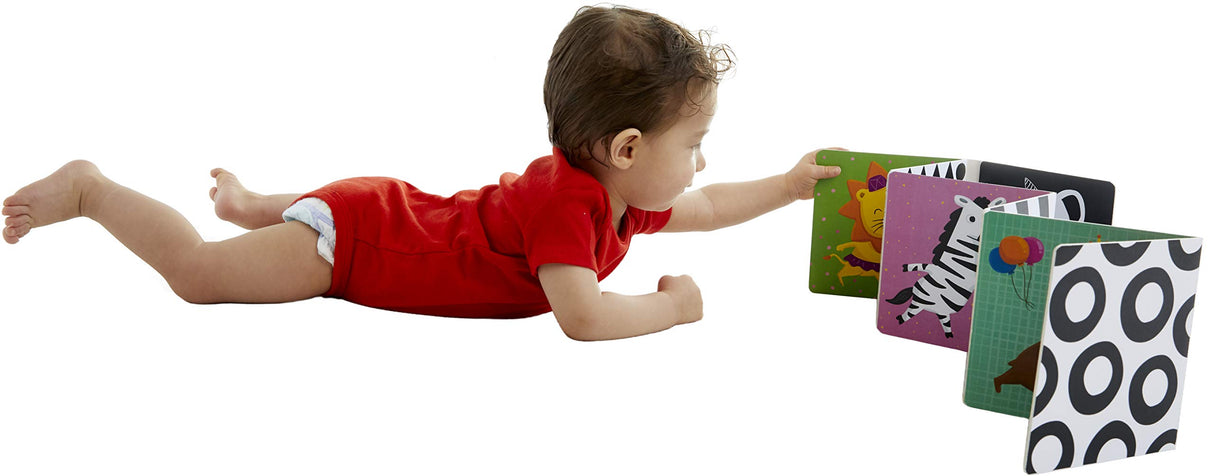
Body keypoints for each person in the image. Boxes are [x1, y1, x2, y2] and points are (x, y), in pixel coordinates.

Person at [1, 5, 841, 341]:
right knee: (195, 279)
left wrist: (791, 184)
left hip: (387, 210)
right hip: (358, 245)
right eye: (694, 141)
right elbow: (581, 319)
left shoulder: (614, 198)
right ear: (625, 150)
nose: (701, 163)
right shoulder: (568, 209)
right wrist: (674, 309)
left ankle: (256, 204)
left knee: (306, 217)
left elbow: (707, 206)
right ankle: (92, 188)